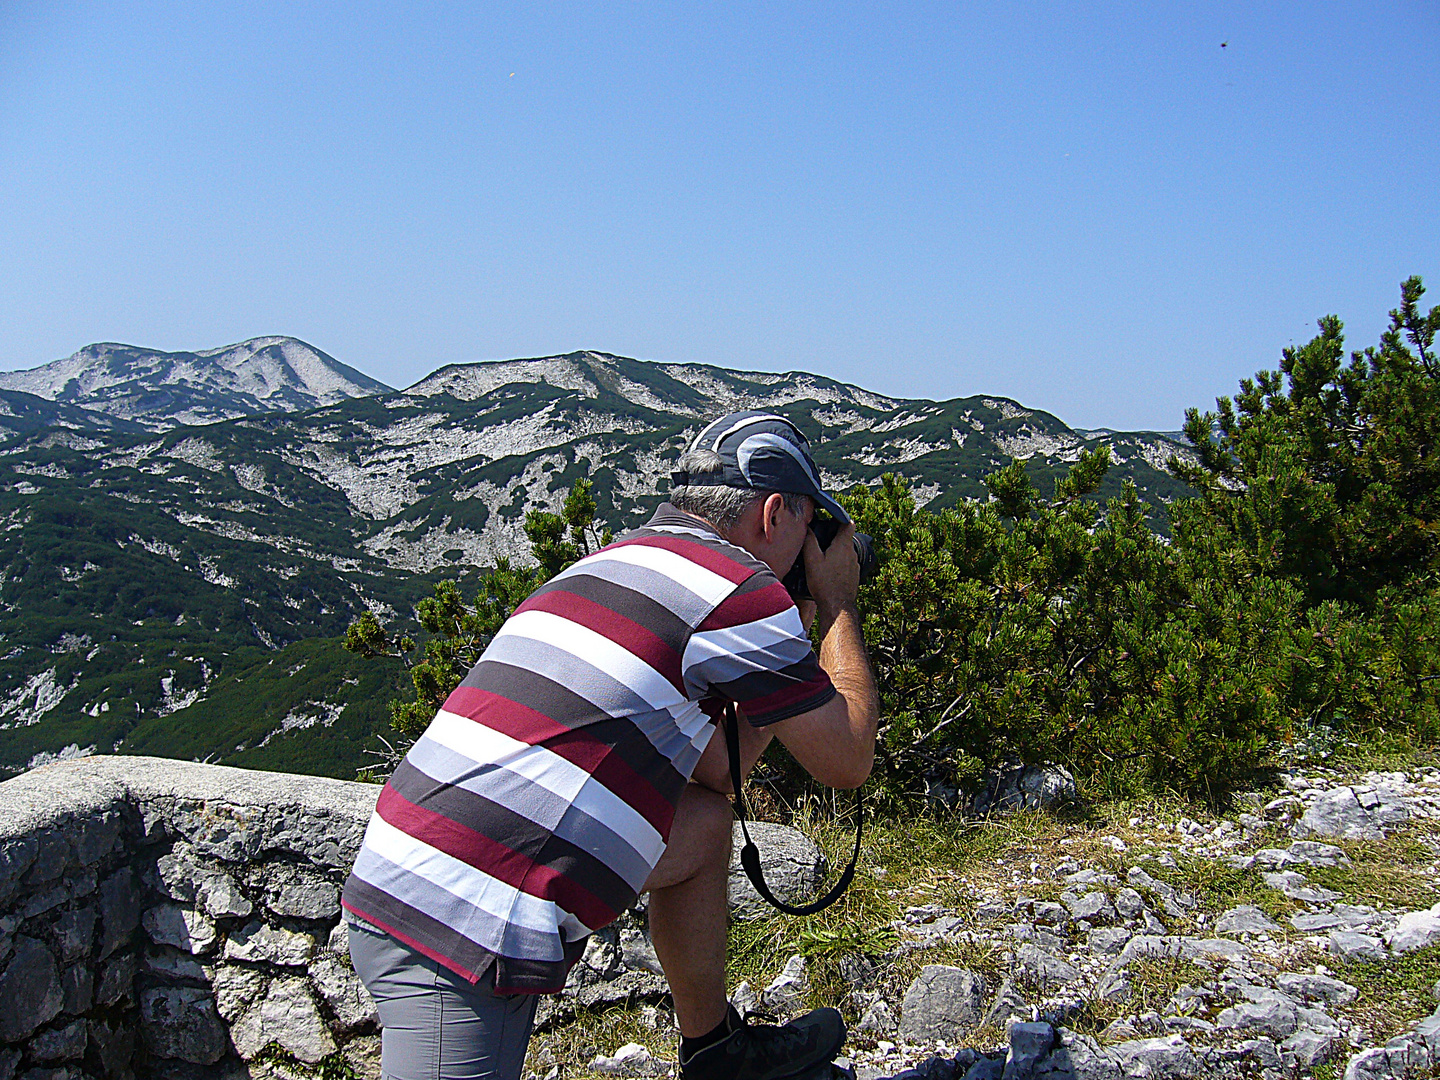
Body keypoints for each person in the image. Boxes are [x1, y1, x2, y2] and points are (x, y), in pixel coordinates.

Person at [342, 410, 880, 1080]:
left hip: (414, 870)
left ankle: (715, 1051)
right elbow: (848, 759)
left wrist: (778, 676)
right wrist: (837, 607)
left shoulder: (620, 559)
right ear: (774, 514)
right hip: (459, 921)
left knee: (705, 826)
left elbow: (715, 775)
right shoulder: (738, 589)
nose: (812, 550)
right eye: (811, 526)